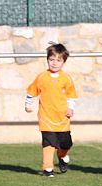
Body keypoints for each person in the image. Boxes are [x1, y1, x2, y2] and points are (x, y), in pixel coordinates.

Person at [25, 43, 77, 177]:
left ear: (63, 62)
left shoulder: (66, 79)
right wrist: (28, 104)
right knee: (48, 143)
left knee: (65, 144)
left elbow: (71, 96)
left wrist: (71, 108)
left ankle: (62, 156)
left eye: (58, 60)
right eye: (51, 59)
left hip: (62, 118)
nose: (54, 63)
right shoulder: (42, 77)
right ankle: (47, 168)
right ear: (47, 60)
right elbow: (31, 91)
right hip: (46, 117)